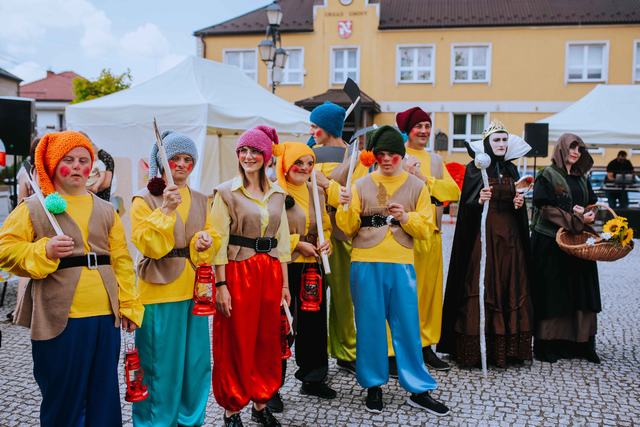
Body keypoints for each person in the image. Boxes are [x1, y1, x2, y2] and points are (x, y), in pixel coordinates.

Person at [0, 130, 144, 426]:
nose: (78, 166)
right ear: (53, 164)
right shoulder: (34, 207)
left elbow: (121, 261)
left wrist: (129, 305)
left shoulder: (106, 210)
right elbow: (5, 250)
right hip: (60, 319)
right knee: (64, 397)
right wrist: (44, 250)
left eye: (84, 160)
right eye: (69, 160)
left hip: (105, 319)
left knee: (104, 395)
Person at [337, 126, 449, 416]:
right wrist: (344, 207)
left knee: (408, 326)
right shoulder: (360, 185)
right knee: (370, 327)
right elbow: (348, 229)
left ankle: (419, 389)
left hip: (401, 263)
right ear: (375, 156)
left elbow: (426, 228)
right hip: (365, 261)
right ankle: (373, 386)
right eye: (381, 154)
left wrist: (406, 217)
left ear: (402, 155)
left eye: (393, 155)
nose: (387, 159)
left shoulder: (417, 187)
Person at [130, 130, 219, 426]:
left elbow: (211, 236)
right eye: (174, 158)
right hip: (158, 292)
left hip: (195, 293)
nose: (181, 164)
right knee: (159, 366)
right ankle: (155, 422)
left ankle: (190, 420)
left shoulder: (201, 199)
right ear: (162, 162)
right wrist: (166, 209)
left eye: (187, 159)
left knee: (195, 364)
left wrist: (205, 241)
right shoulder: (144, 199)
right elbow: (147, 244)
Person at [211, 125, 291, 427]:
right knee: (235, 340)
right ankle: (232, 409)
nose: (248, 156)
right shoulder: (226, 193)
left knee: (266, 340)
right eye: (243, 150)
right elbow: (218, 242)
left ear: (266, 156)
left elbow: (282, 242)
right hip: (238, 272)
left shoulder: (278, 194)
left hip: (269, 272)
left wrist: (285, 285)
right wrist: (221, 285)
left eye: (255, 150)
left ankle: (261, 402)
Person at [438, 121, 533, 368]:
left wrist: (518, 203)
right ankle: (478, 350)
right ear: (487, 144)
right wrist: (478, 199)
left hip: (509, 238)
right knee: (483, 284)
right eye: (496, 140)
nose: (501, 144)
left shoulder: (512, 169)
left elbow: (518, 200)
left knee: (508, 284)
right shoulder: (475, 168)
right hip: (484, 236)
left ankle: (508, 349)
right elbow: (466, 207)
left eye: (504, 140)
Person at [390, 106, 461, 372]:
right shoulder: (397, 157)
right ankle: (395, 350)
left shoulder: (435, 160)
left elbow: (452, 191)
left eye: (427, 126)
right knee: (403, 294)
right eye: (418, 126)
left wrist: (424, 178)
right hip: (405, 235)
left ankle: (425, 346)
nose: (424, 131)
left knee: (430, 295)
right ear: (408, 130)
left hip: (432, 235)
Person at [271, 141, 335, 409]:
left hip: (312, 264)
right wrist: (297, 243)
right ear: (286, 164)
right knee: (281, 324)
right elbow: (269, 230)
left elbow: (325, 226)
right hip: (284, 264)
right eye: (298, 162)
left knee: (314, 322)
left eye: (310, 163)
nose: (305, 168)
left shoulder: (315, 192)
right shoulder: (274, 192)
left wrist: (326, 241)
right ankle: (271, 387)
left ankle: (313, 377)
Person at [307, 101, 368, 378]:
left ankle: (346, 351)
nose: (312, 131)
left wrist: (325, 183)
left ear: (328, 127)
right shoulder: (308, 153)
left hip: (341, 234)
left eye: (315, 126)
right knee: (312, 299)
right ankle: (314, 359)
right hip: (312, 234)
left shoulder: (353, 156)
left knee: (343, 296)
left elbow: (353, 195)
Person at [530, 133, 601, 364]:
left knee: (581, 292)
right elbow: (546, 208)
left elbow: (592, 203)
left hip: (578, 244)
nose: (576, 152)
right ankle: (548, 345)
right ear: (561, 148)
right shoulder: (547, 175)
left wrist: (589, 214)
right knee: (553, 293)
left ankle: (581, 344)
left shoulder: (582, 178)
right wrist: (576, 220)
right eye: (572, 147)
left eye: (580, 149)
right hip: (550, 243)